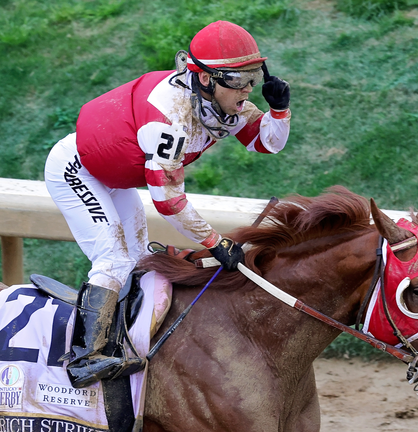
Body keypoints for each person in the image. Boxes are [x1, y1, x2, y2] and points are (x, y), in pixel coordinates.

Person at [43, 20, 291, 388]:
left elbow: (266, 143)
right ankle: (85, 358)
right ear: (206, 79)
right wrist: (214, 242)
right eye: (238, 80)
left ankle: (124, 339)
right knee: (113, 258)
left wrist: (279, 110)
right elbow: (168, 200)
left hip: (114, 175)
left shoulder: (221, 99)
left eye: (253, 76)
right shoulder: (169, 118)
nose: (249, 89)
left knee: (139, 258)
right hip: (77, 170)